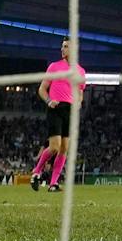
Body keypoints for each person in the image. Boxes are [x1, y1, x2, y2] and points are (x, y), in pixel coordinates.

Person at [30, 38, 86, 192]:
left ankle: (53, 183)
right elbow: (42, 89)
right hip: (55, 108)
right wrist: (49, 101)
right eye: (62, 46)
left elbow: (80, 93)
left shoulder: (81, 71)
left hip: (70, 111)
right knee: (54, 147)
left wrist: (78, 104)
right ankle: (36, 172)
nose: (63, 49)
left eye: (66, 47)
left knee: (64, 149)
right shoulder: (54, 67)